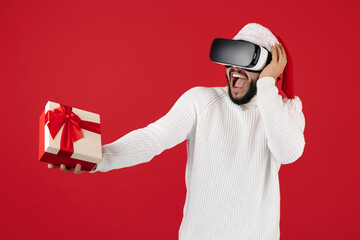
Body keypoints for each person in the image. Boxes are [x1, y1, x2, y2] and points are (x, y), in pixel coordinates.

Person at [48, 23, 305, 240]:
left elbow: (288, 153)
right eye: (230, 60)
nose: (234, 69)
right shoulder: (201, 102)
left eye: (245, 61)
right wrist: (96, 158)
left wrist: (268, 86)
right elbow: (152, 138)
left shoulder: (283, 112)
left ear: (270, 67)